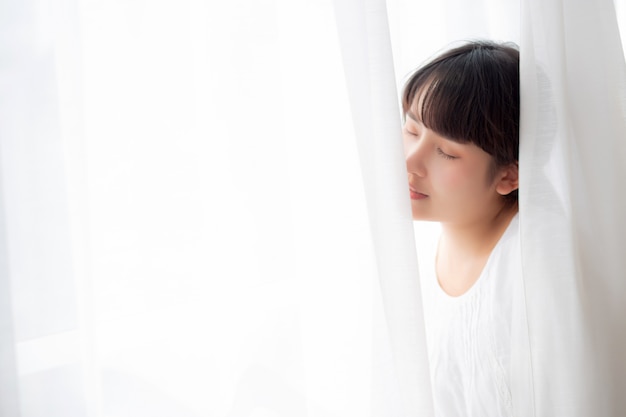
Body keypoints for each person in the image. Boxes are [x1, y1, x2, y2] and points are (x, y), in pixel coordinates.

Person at [401, 41, 520, 416]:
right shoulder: (409, 253)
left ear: (509, 174)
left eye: (447, 152)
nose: (410, 161)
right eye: (411, 130)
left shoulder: (528, 271)